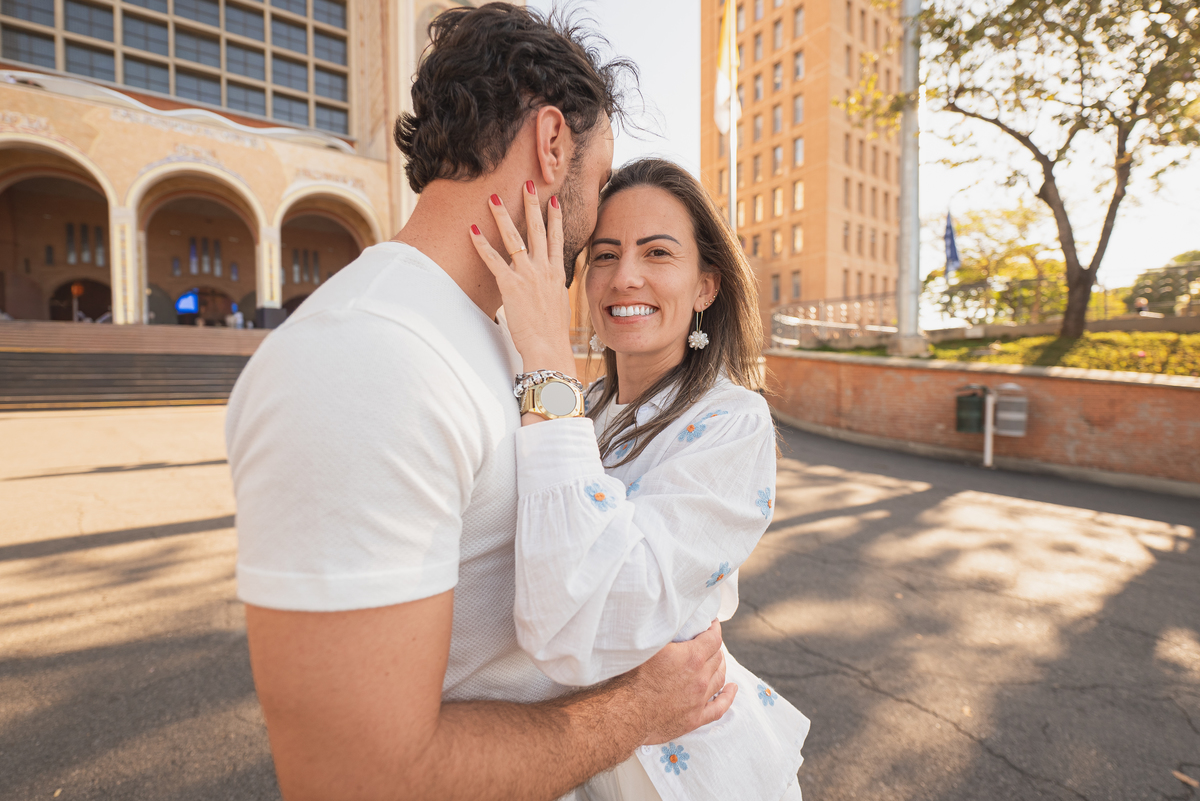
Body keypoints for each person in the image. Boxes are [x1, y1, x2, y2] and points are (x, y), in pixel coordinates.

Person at [224, 5, 736, 801]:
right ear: (553, 142)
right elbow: (359, 778)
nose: (600, 215)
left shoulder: (481, 336)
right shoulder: (363, 359)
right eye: (599, 183)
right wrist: (638, 709)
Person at [469, 159, 810, 800]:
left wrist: (545, 353)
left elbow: (582, 621)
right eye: (604, 254)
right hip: (570, 756)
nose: (625, 276)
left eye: (658, 252)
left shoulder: (732, 420)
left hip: (685, 769)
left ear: (706, 285)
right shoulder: (580, 407)